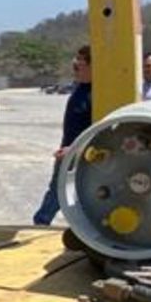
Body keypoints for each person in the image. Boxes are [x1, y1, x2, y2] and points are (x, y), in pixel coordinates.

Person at [33, 45, 93, 225]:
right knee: (59, 190)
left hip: (79, 153)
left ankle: (42, 222)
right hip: (68, 151)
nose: (75, 66)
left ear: (92, 66)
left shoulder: (97, 93)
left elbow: (96, 128)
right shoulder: (81, 88)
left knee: (60, 191)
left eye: (79, 63)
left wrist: (73, 149)